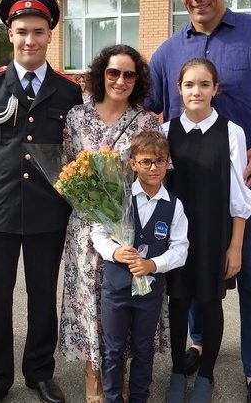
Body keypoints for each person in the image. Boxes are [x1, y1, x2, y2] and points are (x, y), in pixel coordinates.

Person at [146, 0, 251, 403]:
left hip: (245, 178)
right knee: (189, 268)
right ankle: (198, 346)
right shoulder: (167, 52)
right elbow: (150, 113)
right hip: (186, 188)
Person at [0, 0, 82, 403]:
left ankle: (40, 374)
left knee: (43, 298)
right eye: (23, 31)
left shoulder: (68, 91)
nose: (31, 40)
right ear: (9, 34)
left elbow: (74, 155)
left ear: (50, 35)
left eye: (38, 32)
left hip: (48, 215)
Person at [58, 44, 166, 402]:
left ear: (138, 79)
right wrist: (89, 202)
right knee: (90, 303)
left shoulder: (146, 121)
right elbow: (67, 170)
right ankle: (94, 380)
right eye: (113, 72)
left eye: (129, 74)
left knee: (126, 302)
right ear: (101, 74)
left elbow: (154, 173)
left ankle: (120, 379)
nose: (121, 80)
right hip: (86, 229)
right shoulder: (77, 117)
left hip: (130, 228)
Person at [162, 58, 251, 402]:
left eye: (204, 84)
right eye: (189, 84)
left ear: (216, 89)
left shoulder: (231, 132)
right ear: (179, 89)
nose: (196, 91)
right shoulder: (166, 132)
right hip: (174, 237)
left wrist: (235, 246)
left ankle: (206, 375)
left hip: (214, 233)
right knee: (177, 301)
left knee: (210, 302)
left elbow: (239, 197)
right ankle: (176, 371)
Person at [91, 130, 189, 403]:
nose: (153, 168)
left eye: (160, 161)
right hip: (116, 289)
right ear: (133, 164)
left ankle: (139, 398)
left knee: (144, 350)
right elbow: (97, 233)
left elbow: (180, 249)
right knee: (113, 350)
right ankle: (112, 399)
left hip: (150, 293)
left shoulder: (174, 206)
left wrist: (152, 265)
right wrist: (115, 251)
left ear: (168, 162)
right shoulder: (117, 197)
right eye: (146, 161)